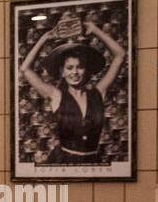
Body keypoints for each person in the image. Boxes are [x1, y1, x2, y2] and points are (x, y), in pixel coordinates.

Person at [20, 16, 126, 165]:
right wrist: (45, 37)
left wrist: (95, 30)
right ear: (62, 72)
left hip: (92, 163)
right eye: (69, 68)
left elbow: (120, 55)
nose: (74, 72)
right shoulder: (56, 95)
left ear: (86, 70)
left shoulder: (98, 93)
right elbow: (25, 69)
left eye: (79, 67)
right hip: (62, 163)